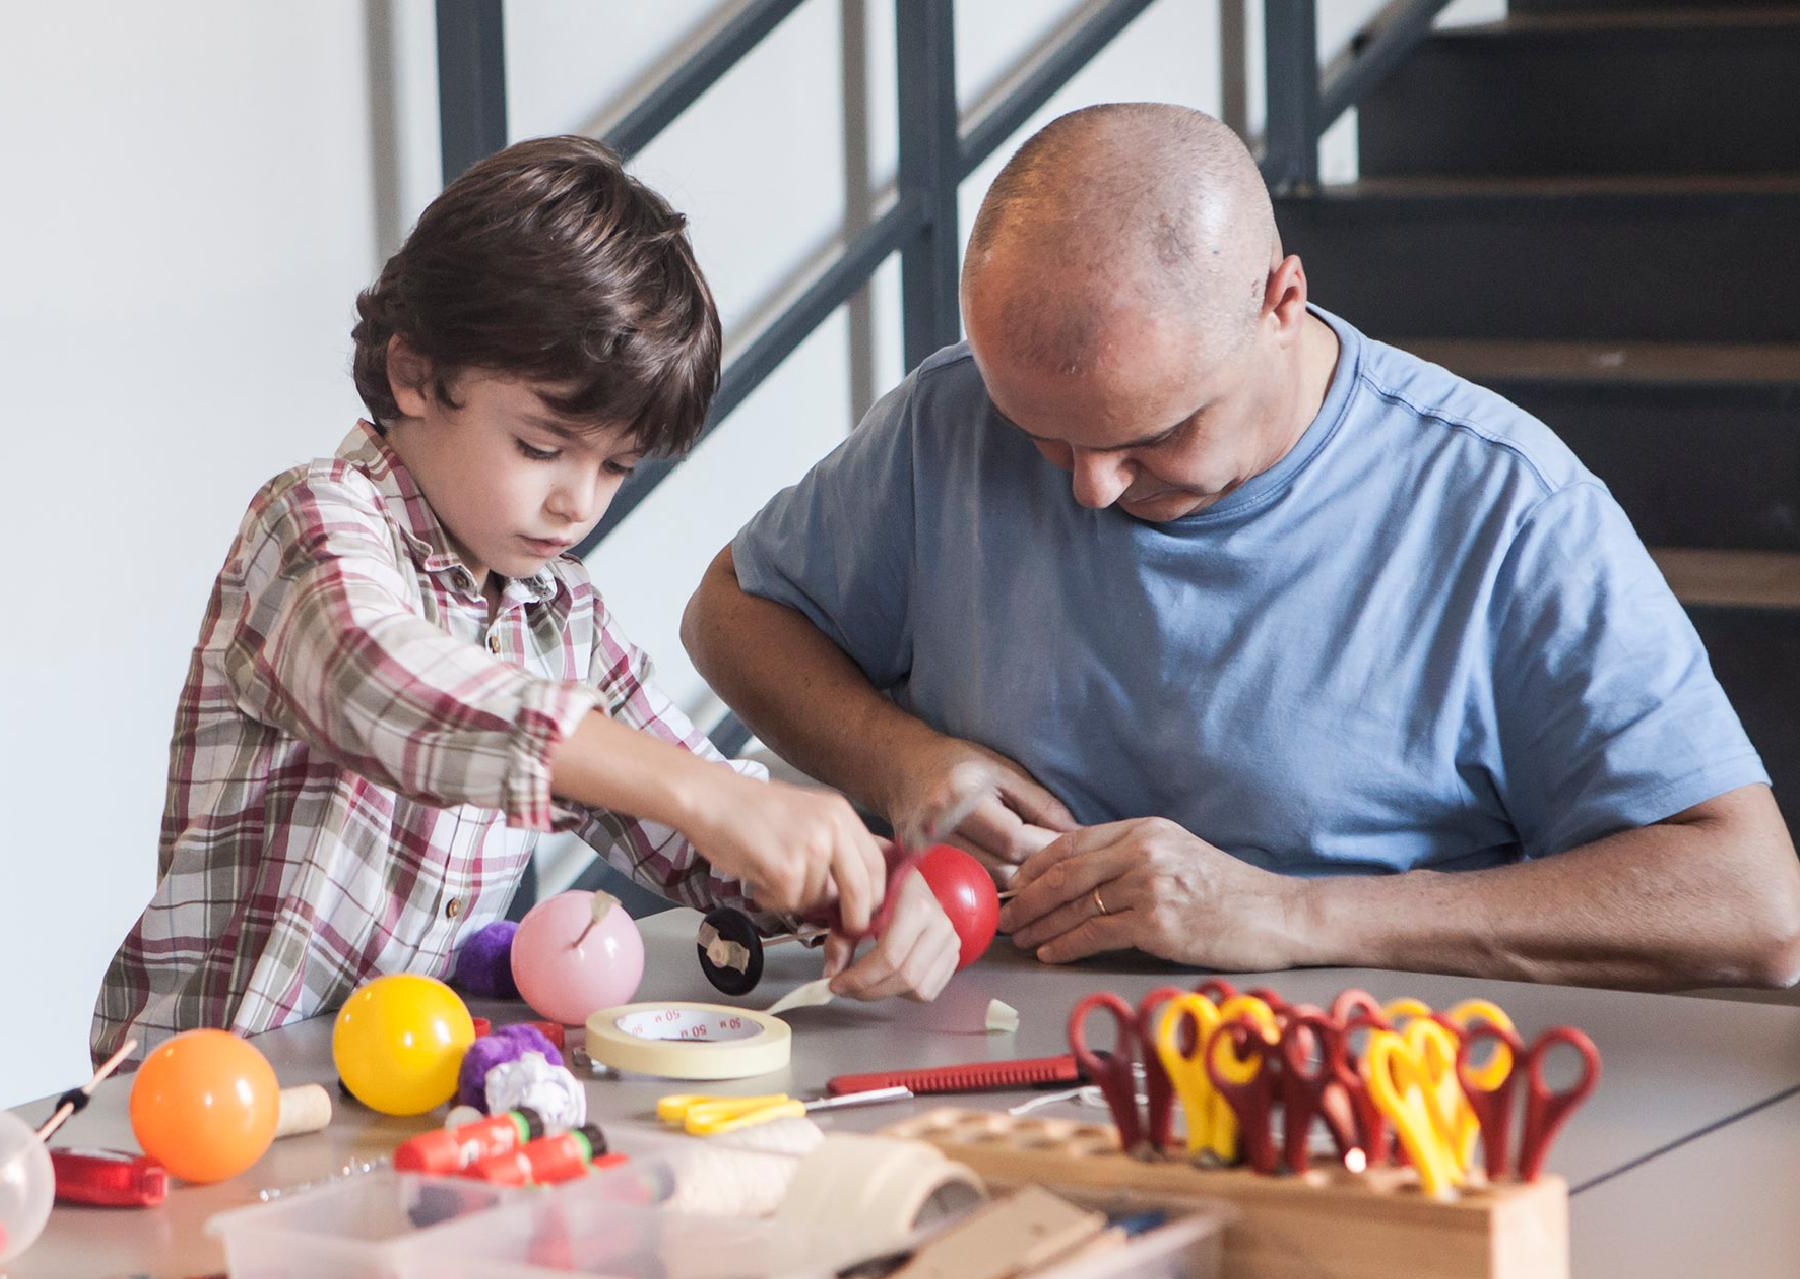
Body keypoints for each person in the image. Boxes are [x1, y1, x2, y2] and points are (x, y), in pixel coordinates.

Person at [683, 103, 1800, 990]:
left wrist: (1286, 911)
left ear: (1282, 299)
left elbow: (1751, 901)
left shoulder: (1504, 507)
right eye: (1044, 437)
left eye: (1157, 432)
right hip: (993, 1048)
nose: (1090, 488)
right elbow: (733, 607)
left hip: (1370, 1098)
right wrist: (903, 760)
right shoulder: (948, 420)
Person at [91, 137, 960, 1062]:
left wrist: (863, 886)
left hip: (380, 1097)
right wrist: (712, 797)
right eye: (543, 447)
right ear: (415, 375)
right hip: (193, 1097)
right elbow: (381, 682)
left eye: (615, 466)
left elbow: (688, 817)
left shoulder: (559, 615)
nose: (576, 501)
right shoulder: (310, 521)